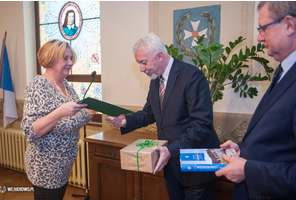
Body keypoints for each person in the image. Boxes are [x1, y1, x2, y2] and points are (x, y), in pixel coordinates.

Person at [107, 33, 220, 200]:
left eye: (143, 62)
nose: (141, 69)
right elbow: (150, 112)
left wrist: (170, 150)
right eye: (139, 63)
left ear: (160, 56)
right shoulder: (155, 80)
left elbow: (201, 125)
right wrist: (126, 120)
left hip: (196, 167)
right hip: (171, 165)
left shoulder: (192, 76)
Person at [215, 1, 296, 199]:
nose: (259, 38)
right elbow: (279, 142)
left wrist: (248, 170)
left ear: (289, 25)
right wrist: (242, 150)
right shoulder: (283, 71)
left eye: (263, 29)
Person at [21, 39, 95, 200]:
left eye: (71, 58)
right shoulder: (38, 86)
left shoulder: (65, 85)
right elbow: (30, 132)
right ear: (51, 59)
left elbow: (73, 119)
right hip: (46, 168)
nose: (71, 62)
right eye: (66, 58)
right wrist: (60, 112)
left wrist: (88, 114)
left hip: (63, 166)